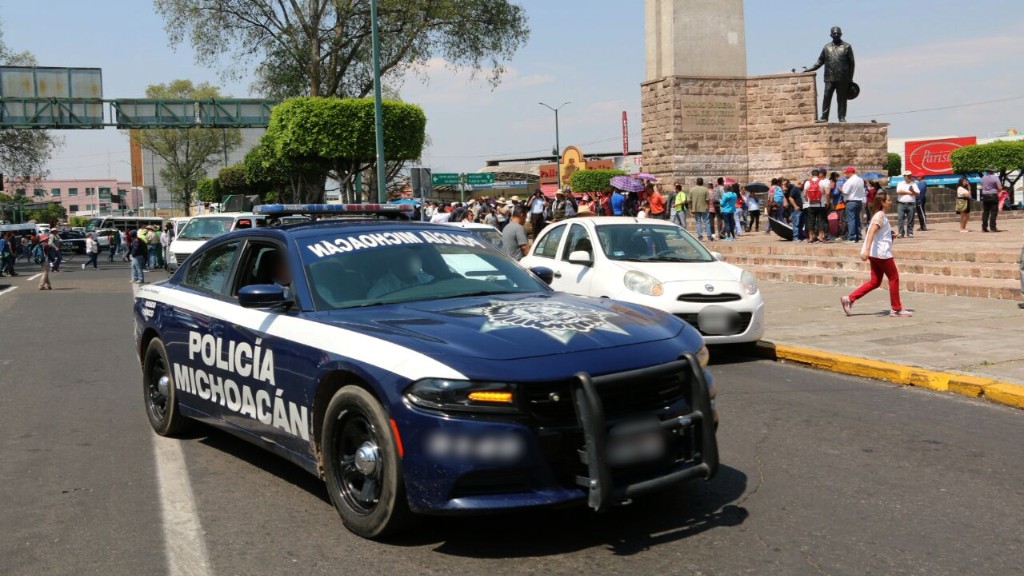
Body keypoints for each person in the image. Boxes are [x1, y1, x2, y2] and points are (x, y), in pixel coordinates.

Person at [841, 191, 912, 317]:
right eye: (888, 200)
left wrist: (890, 235)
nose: (891, 202)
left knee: (875, 281)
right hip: (881, 253)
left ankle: (849, 299)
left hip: (876, 253)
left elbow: (879, 233)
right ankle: (896, 308)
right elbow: (872, 231)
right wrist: (866, 250)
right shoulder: (880, 215)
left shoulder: (879, 215)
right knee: (894, 277)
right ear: (882, 203)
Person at [804, 26, 856, 122]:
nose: (836, 35)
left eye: (838, 33)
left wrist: (850, 78)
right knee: (826, 97)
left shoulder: (847, 47)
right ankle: (824, 117)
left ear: (841, 34)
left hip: (843, 78)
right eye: (834, 33)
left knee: (841, 99)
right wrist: (810, 69)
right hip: (829, 78)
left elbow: (852, 64)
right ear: (831, 35)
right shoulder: (826, 47)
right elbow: (820, 61)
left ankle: (841, 117)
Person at [367, 250, 433, 298]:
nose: (411, 264)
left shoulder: (427, 279)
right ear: (395, 263)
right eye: (405, 260)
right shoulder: (380, 290)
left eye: (414, 261)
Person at [841, 166, 866, 242]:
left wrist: (840, 189)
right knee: (857, 219)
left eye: (846, 173)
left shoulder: (850, 181)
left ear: (849, 173)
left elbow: (845, 191)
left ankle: (851, 237)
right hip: (859, 201)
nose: (846, 175)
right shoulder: (860, 180)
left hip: (851, 201)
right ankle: (858, 235)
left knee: (851, 219)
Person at [803, 169, 827, 243]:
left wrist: (808, 201)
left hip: (811, 205)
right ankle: (820, 236)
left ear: (812, 174)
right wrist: (827, 201)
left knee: (811, 221)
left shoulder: (807, 182)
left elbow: (804, 194)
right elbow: (827, 193)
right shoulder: (822, 182)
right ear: (819, 174)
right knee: (821, 221)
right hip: (821, 204)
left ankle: (811, 238)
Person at [895, 171, 919, 238]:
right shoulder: (900, 183)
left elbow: (917, 193)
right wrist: (909, 192)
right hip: (901, 203)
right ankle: (900, 233)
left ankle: (910, 232)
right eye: (907, 176)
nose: (909, 177)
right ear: (904, 176)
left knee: (911, 219)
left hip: (911, 204)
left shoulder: (914, 184)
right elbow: (899, 191)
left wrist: (913, 191)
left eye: (910, 175)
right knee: (900, 219)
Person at [979, 167, 1002, 233]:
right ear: (992, 171)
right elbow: (999, 188)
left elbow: (982, 186)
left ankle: (984, 228)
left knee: (985, 212)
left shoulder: (983, 178)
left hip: (985, 196)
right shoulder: (995, 177)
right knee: (993, 212)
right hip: (993, 195)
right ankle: (993, 227)